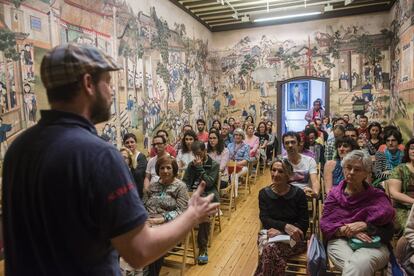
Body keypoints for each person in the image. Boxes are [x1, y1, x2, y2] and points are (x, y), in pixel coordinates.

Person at [2, 43, 218, 275]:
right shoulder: (98, 155)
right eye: (107, 82)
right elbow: (139, 252)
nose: (112, 91)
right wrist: (192, 215)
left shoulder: (19, 148)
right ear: (88, 83)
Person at [320, 150, 395, 276]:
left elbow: (389, 229)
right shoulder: (334, 195)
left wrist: (366, 226)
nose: (351, 173)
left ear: (366, 173)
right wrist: (347, 230)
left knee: (359, 264)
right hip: (340, 241)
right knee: (358, 267)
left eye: (357, 169)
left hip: (373, 243)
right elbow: (326, 225)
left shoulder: (377, 196)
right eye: (348, 168)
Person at [255, 159, 308, 276]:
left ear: (288, 175)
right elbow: (265, 218)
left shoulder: (299, 194)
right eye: (273, 170)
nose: (275, 174)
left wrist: (281, 231)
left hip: (294, 238)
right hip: (270, 234)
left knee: (269, 250)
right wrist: (285, 226)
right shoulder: (264, 193)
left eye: (280, 171)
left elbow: (304, 223)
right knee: (271, 250)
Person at [143, 156, 189, 275]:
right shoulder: (153, 186)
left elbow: (182, 211)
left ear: (174, 169)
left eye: (168, 168)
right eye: (162, 168)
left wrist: (161, 219)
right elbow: (142, 206)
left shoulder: (180, 187)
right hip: (149, 221)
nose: (165, 171)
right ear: (158, 170)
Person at [183, 141, 220, 265]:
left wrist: (200, 168)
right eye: (195, 154)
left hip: (209, 194)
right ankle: (174, 240)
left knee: (203, 214)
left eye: (199, 153)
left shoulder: (214, 164)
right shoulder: (191, 165)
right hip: (193, 194)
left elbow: (209, 183)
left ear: (205, 151)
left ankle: (203, 248)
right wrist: (187, 192)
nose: (197, 157)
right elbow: (186, 181)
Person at [387, 138, 414, 232]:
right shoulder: (400, 169)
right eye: (412, 148)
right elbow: (394, 194)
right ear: (408, 151)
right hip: (403, 209)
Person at [283, 131, 320, 197]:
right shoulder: (281, 162)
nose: (290, 145)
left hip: (304, 194)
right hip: (285, 195)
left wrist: (315, 192)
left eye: (293, 142)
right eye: (287, 143)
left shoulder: (310, 161)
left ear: (299, 143)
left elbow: (315, 181)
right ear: (284, 146)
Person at [123, 133, 148, 199]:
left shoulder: (141, 157)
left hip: (138, 191)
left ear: (136, 143)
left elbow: (138, 174)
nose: (130, 144)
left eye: (132, 142)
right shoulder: (122, 157)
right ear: (124, 145)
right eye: (127, 142)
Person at [227, 128, 250, 197]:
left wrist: (236, 164)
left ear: (242, 136)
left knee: (234, 174)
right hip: (230, 165)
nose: (238, 136)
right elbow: (227, 157)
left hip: (242, 167)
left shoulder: (246, 146)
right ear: (233, 136)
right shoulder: (229, 145)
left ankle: (234, 193)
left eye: (240, 135)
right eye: (236, 135)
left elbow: (246, 161)